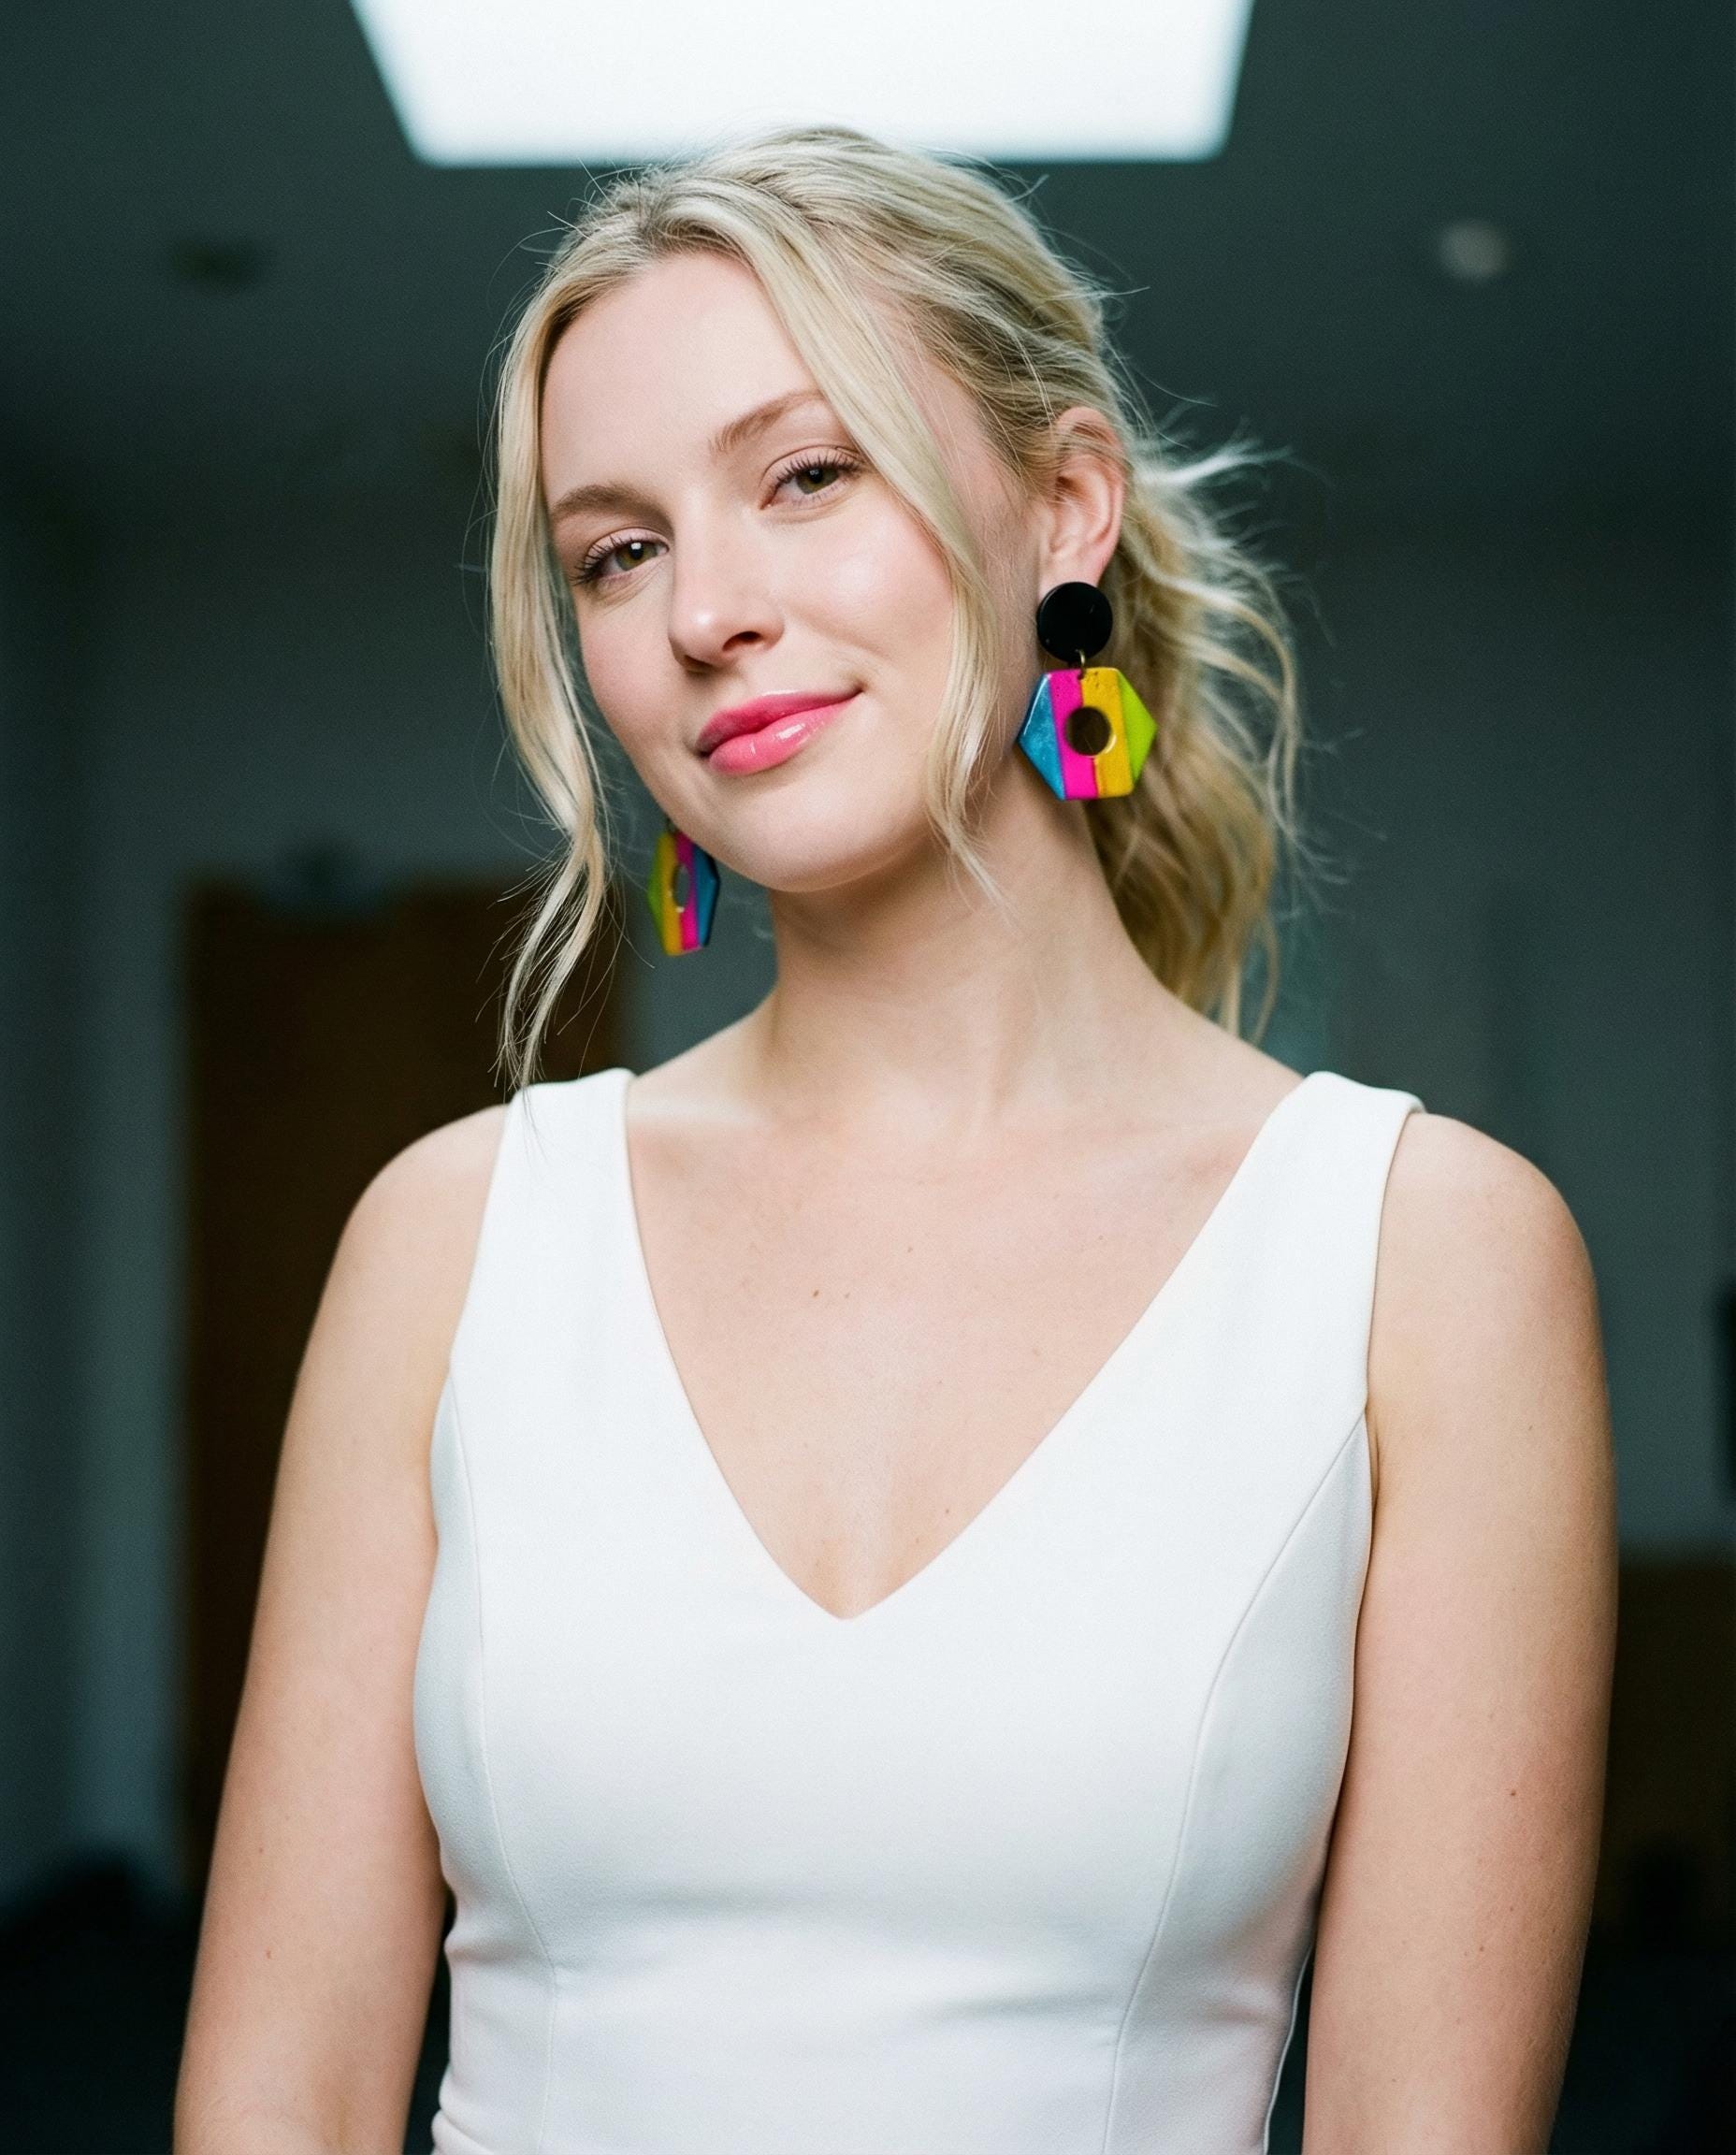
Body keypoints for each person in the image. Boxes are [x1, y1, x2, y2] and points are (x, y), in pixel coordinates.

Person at [174, 126, 1617, 2154]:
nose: (707, 612)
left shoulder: (1425, 1253)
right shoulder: (456, 1234)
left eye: (805, 475)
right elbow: (279, 2101)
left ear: (1065, 506)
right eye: (617, 552)